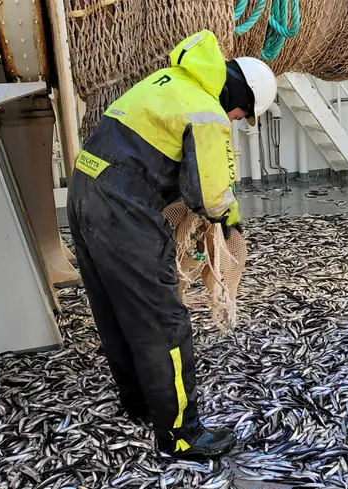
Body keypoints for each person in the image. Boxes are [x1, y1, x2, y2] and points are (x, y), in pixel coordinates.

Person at [66, 30, 277, 459]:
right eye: (242, 114)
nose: (236, 120)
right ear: (239, 95)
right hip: (122, 209)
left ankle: (140, 403)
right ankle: (181, 433)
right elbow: (208, 195)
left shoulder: (170, 81)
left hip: (83, 190)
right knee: (164, 322)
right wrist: (231, 224)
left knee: (116, 309)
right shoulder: (206, 112)